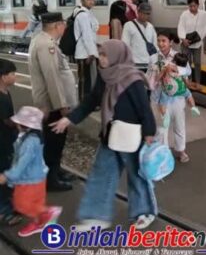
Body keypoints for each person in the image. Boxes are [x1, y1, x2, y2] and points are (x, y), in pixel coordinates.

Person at [50, 40, 158, 231]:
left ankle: (144, 212)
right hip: (110, 135)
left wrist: (149, 133)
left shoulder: (133, 79)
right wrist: (69, 119)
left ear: (117, 55)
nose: (101, 58)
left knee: (137, 175)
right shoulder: (104, 76)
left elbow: (144, 109)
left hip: (133, 137)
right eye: (100, 54)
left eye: (105, 55)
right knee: (101, 174)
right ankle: (95, 216)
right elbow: (91, 101)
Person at [29, 12, 78, 192]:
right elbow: (52, 77)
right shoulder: (46, 45)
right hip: (53, 106)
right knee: (54, 142)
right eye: (63, 24)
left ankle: (56, 171)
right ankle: (51, 180)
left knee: (55, 141)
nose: (65, 27)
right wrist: (61, 105)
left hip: (51, 104)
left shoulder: (42, 40)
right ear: (57, 25)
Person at [0, 106, 62, 237]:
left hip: (29, 179)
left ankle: (48, 212)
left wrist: (7, 176)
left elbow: (22, 164)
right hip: (38, 176)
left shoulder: (29, 142)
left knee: (21, 203)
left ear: (22, 124)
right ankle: (39, 223)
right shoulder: (35, 136)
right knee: (36, 202)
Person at [147, 32, 194, 163]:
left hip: (177, 98)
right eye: (158, 40)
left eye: (164, 40)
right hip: (159, 98)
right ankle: (163, 154)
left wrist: (174, 69)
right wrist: (160, 72)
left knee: (179, 125)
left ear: (170, 42)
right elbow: (149, 79)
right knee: (161, 128)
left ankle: (181, 150)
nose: (160, 43)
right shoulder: (153, 58)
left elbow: (188, 71)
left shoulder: (177, 56)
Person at [0, 59, 21, 226]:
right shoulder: (1, 97)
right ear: (3, 76)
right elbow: (6, 120)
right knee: (4, 174)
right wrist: (19, 123)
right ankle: (4, 211)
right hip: (2, 143)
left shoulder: (6, 92)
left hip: (7, 140)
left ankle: (7, 205)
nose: (15, 77)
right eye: (12, 74)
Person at [74, 0, 99, 101]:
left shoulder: (87, 13)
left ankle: (87, 102)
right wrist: (92, 53)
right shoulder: (83, 15)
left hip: (86, 52)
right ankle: (83, 103)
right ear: (82, 0)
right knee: (84, 80)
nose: (91, 2)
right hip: (84, 53)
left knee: (87, 80)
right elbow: (87, 36)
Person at [122, 3, 157, 71]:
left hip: (149, 64)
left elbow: (154, 45)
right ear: (138, 12)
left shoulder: (150, 27)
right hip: (134, 64)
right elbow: (125, 45)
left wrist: (155, 62)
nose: (146, 16)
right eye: (143, 13)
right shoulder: (128, 25)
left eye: (148, 14)